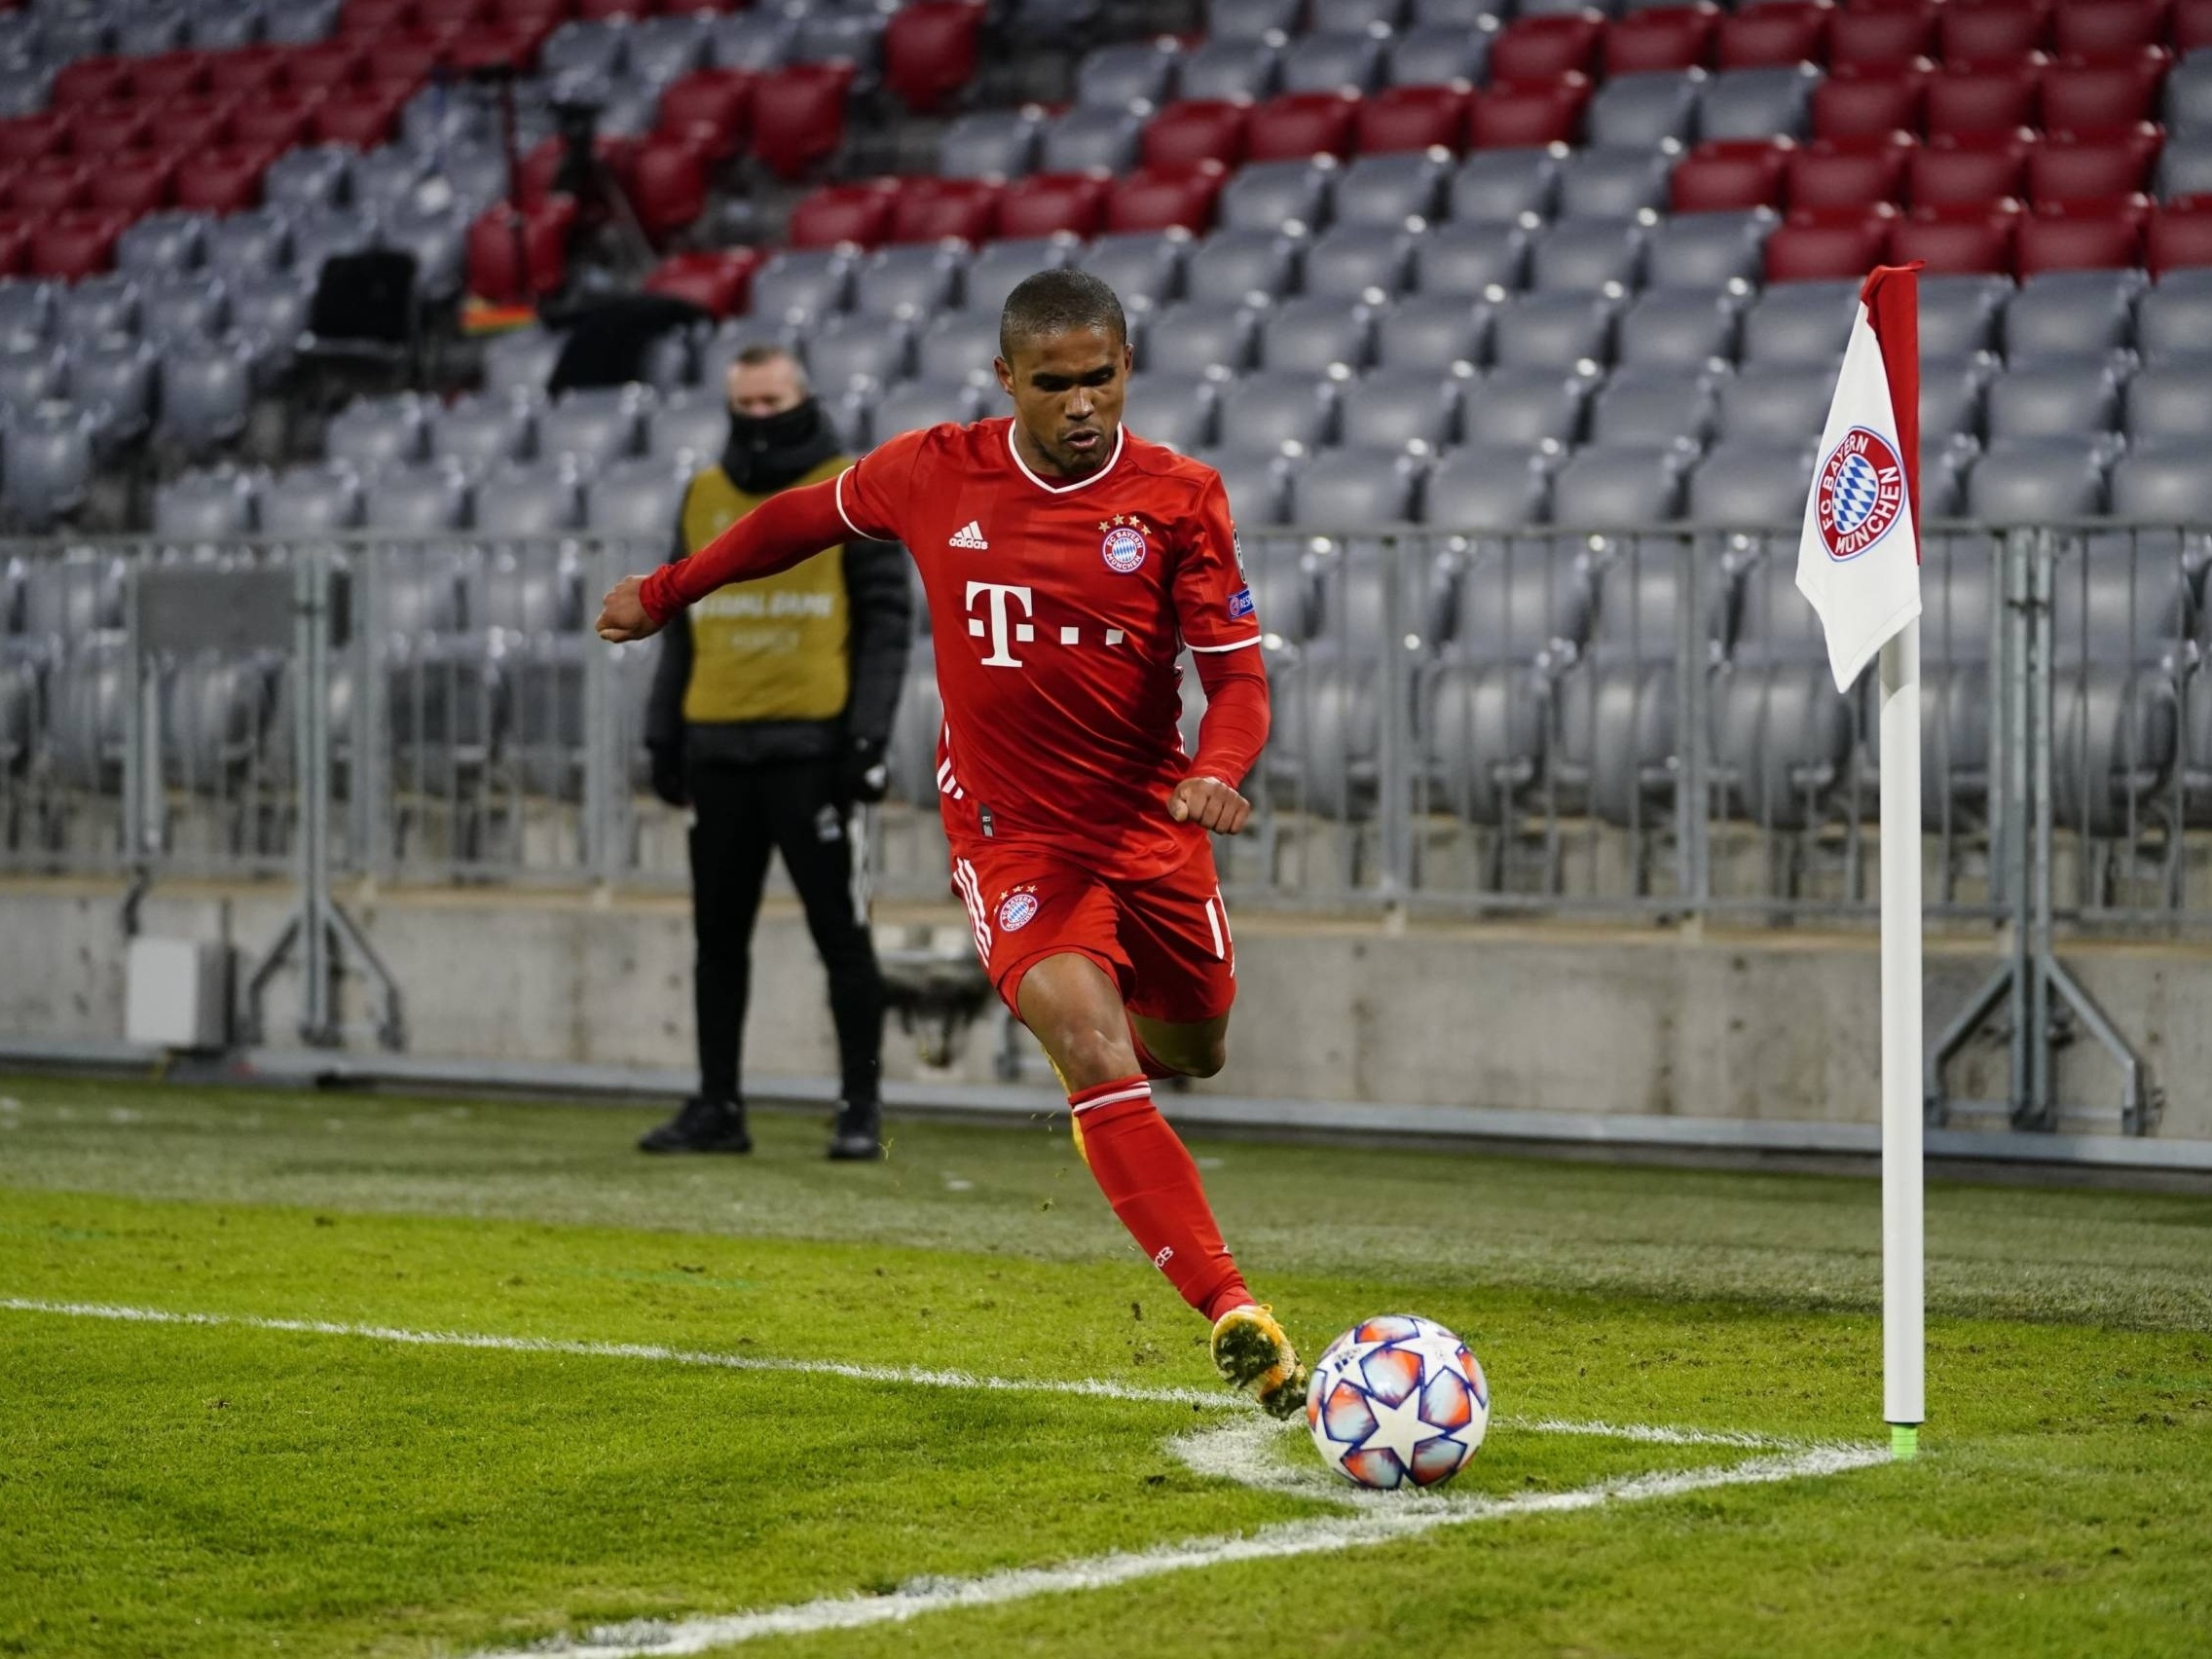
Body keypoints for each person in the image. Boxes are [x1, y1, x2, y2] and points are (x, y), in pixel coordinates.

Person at [598, 272, 1306, 1416]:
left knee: (1195, 1048)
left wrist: (1217, 771)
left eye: (1101, 379)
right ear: (1007, 380)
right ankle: (1235, 1311)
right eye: (1055, 383)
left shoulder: (1180, 497)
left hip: (1148, 823)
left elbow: (1234, 676)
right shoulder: (934, 469)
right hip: (1010, 832)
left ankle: (1109, 1107)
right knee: (1089, 1042)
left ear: (1127, 368)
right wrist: (672, 590)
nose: (1082, 405)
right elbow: (793, 520)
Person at [636, 344, 912, 1161]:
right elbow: (678, 618)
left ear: (802, 396)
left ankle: (860, 1108)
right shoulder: (702, 494)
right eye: (746, 404)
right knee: (717, 942)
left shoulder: (849, 487)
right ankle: (718, 1106)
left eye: (772, 401)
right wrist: (663, 729)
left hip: (812, 751)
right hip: (717, 744)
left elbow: (888, 620)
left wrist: (865, 736)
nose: (759, 416)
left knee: (841, 937)